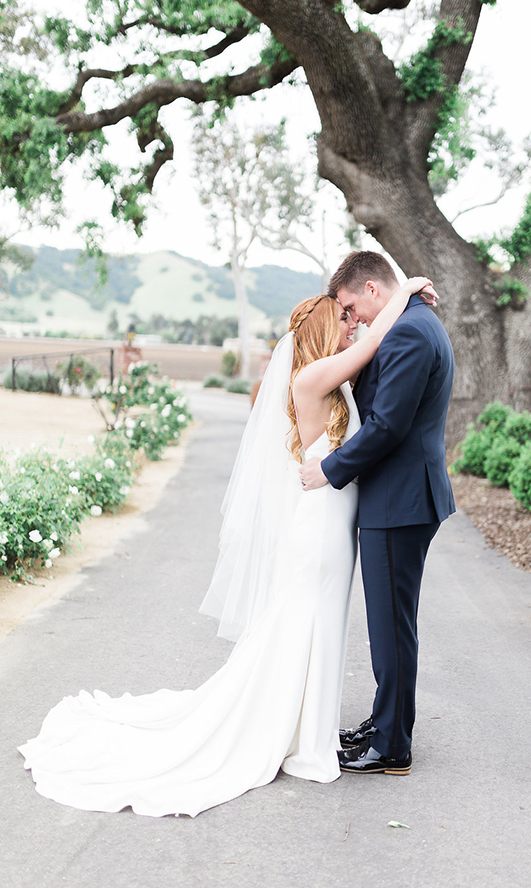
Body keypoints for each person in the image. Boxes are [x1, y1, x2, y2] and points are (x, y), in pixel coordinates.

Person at [18, 275, 435, 818]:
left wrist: (397, 298)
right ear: (320, 334)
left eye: (353, 319)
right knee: (305, 619)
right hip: (320, 529)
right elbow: (376, 342)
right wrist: (402, 292)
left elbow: (372, 359)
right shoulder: (311, 378)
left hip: (335, 525)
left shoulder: (335, 383)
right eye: (343, 321)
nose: (351, 327)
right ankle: (299, 737)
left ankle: (310, 730)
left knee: (322, 623)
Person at [300, 251, 455, 776]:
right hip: (402, 495)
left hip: (401, 498)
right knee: (393, 622)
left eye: (351, 306)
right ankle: (384, 721)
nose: (354, 319)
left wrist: (330, 469)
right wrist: (409, 287)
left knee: (390, 626)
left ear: (371, 289)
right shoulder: (411, 319)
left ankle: (392, 745)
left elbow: (387, 425)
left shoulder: (411, 331)